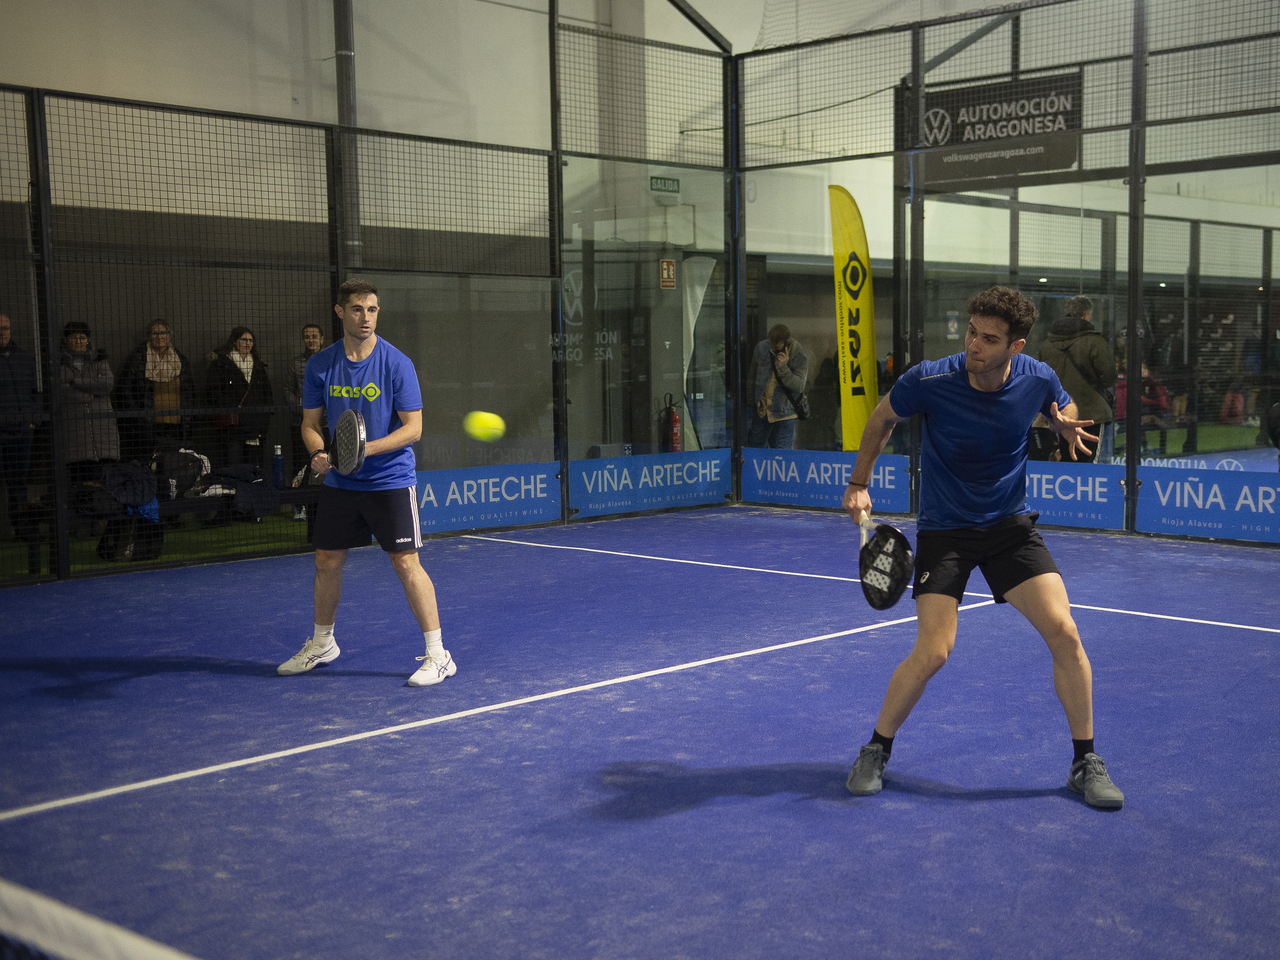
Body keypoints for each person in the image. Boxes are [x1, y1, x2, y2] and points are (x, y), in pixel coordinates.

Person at [841, 286, 1125, 810]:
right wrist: (859, 482)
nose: (974, 345)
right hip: (945, 529)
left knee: (1065, 633)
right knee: (934, 650)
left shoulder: (1036, 376)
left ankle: (1085, 761)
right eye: (972, 332)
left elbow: (1062, 402)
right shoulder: (930, 379)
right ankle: (875, 749)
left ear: (1015, 346)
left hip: (1008, 527)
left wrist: (1061, 419)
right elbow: (882, 418)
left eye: (990, 339)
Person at [277, 277, 453, 687]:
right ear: (340, 312)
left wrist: (362, 450)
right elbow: (310, 424)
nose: (366, 317)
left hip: (390, 480)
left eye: (372, 309)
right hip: (341, 485)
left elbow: (413, 429)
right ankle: (323, 643)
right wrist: (318, 453)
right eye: (357, 309)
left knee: (406, 562)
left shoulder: (396, 363)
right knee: (326, 560)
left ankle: (439, 655)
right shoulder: (321, 364)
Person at [1036, 295, 1116, 463]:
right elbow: (1109, 377)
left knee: (1066, 459)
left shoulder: (1047, 344)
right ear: (1086, 314)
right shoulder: (1095, 342)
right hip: (1091, 413)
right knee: (1089, 462)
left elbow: (1042, 379)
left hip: (1060, 413)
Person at [116, 320, 197, 464]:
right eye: (155, 333)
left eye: (163, 333)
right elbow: (125, 391)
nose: (159, 337)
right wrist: (138, 418)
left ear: (169, 335)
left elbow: (189, 393)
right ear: (149, 336)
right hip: (148, 427)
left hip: (177, 427)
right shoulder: (138, 359)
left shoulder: (180, 360)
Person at [59, 321, 120, 488]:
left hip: (102, 426)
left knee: (105, 479)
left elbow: (107, 384)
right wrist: (94, 388)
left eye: (82, 337)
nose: (78, 341)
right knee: (80, 479)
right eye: (74, 338)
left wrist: (74, 383)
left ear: (88, 340)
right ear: (66, 340)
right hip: (75, 428)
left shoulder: (99, 358)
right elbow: (59, 390)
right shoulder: (59, 362)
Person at [206, 326, 273, 467]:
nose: (248, 343)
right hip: (232, 426)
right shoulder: (221, 364)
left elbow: (266, 393)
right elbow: (213, 392)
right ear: (235, 341)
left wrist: (264, 418)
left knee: (253, 464)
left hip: (254, 425)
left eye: (251, 340)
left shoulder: (258, 366)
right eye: (244, 340)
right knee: (233, 463)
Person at [0, 313, 39, 533]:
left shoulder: (25, 359)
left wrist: (32, 420)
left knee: (18, 482)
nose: (2, 333)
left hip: (22, 430)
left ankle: (23, 530)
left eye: (5, 328)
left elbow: (37, 392)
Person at [284, 322, 326, 519]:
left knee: (330, 464)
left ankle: (328, 506)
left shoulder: (330, 360)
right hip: (301, 424)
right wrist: (307, 410)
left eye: (314, 336)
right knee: (301, 465)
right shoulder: (295, 363)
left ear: (322, 339)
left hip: (328, 424)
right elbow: (287, 391)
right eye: (307, 337)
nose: (311, 340)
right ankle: (299, 506)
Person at [746, 324, 809, 449]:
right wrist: (751, 401)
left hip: (785, 412)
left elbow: (800, 386)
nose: (772, 349)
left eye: (776, 347)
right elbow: (752, 375)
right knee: (756, 449)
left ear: (787, 342)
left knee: (783, 452)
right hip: (762, 409)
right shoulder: (761, 348)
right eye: (770, 344)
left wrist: (783, 368)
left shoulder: (799, 356)